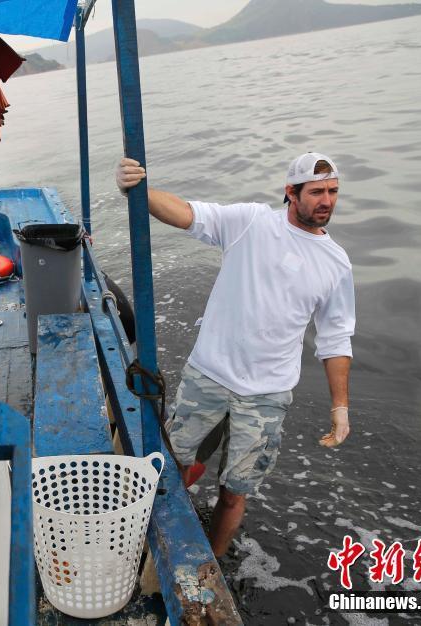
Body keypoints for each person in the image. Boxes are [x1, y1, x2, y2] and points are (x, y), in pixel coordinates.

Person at [115, 152, 355, 557]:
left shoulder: (336, 263)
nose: (327, 201)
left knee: (234, 492)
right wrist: (137, 190)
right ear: (291, 192)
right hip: (209, 375)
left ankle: (212, 565)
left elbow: (336, 339)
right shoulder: (252, 222)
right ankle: (141, 543)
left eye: (332, 191)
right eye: (316, 192)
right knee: (170, 467)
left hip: (267, 395)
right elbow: (187, 214)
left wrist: (341, 407)